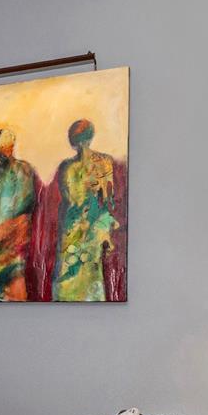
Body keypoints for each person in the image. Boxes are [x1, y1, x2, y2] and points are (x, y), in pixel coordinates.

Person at [55, 117, 119, 301]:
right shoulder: (104, 162)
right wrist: (105, 233)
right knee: (89, 280)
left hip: (73, 229)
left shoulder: (66, 167)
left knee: (68, 280)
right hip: (91, 228)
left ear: (72, 141)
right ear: (91, 137)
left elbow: (70, 200)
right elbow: (108, 201)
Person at [0, 126, 39, 301]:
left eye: (3, 147)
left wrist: (11, 229)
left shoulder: (24, 170)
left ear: (11, 147)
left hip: (12, 236)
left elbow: (28, 205)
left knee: (13, 281)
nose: (0, 152)